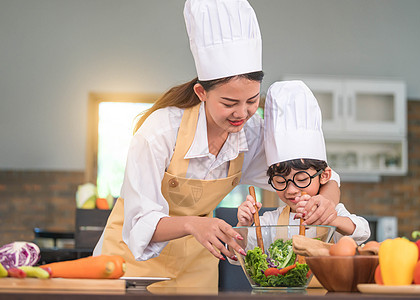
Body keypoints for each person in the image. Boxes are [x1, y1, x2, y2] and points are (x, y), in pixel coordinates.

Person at [93, 0, 341, 290]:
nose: (242, 113)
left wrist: (328, 202)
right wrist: (193, 224)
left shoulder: (251, 135)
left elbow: (317, 175)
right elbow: (139, 222)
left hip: (196, 267)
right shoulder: (160, 132)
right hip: (129, 264)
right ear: (202, 92)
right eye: (229, 103)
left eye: (251, 101)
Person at [237, 81, 370, 244]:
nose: (291, 190)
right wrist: (243, 225)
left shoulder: (334, 211)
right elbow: (236, 255)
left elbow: (362, 232)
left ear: (324, 175)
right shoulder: (271, 221)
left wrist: (330, 220)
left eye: (301, 179)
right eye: (280, 182)